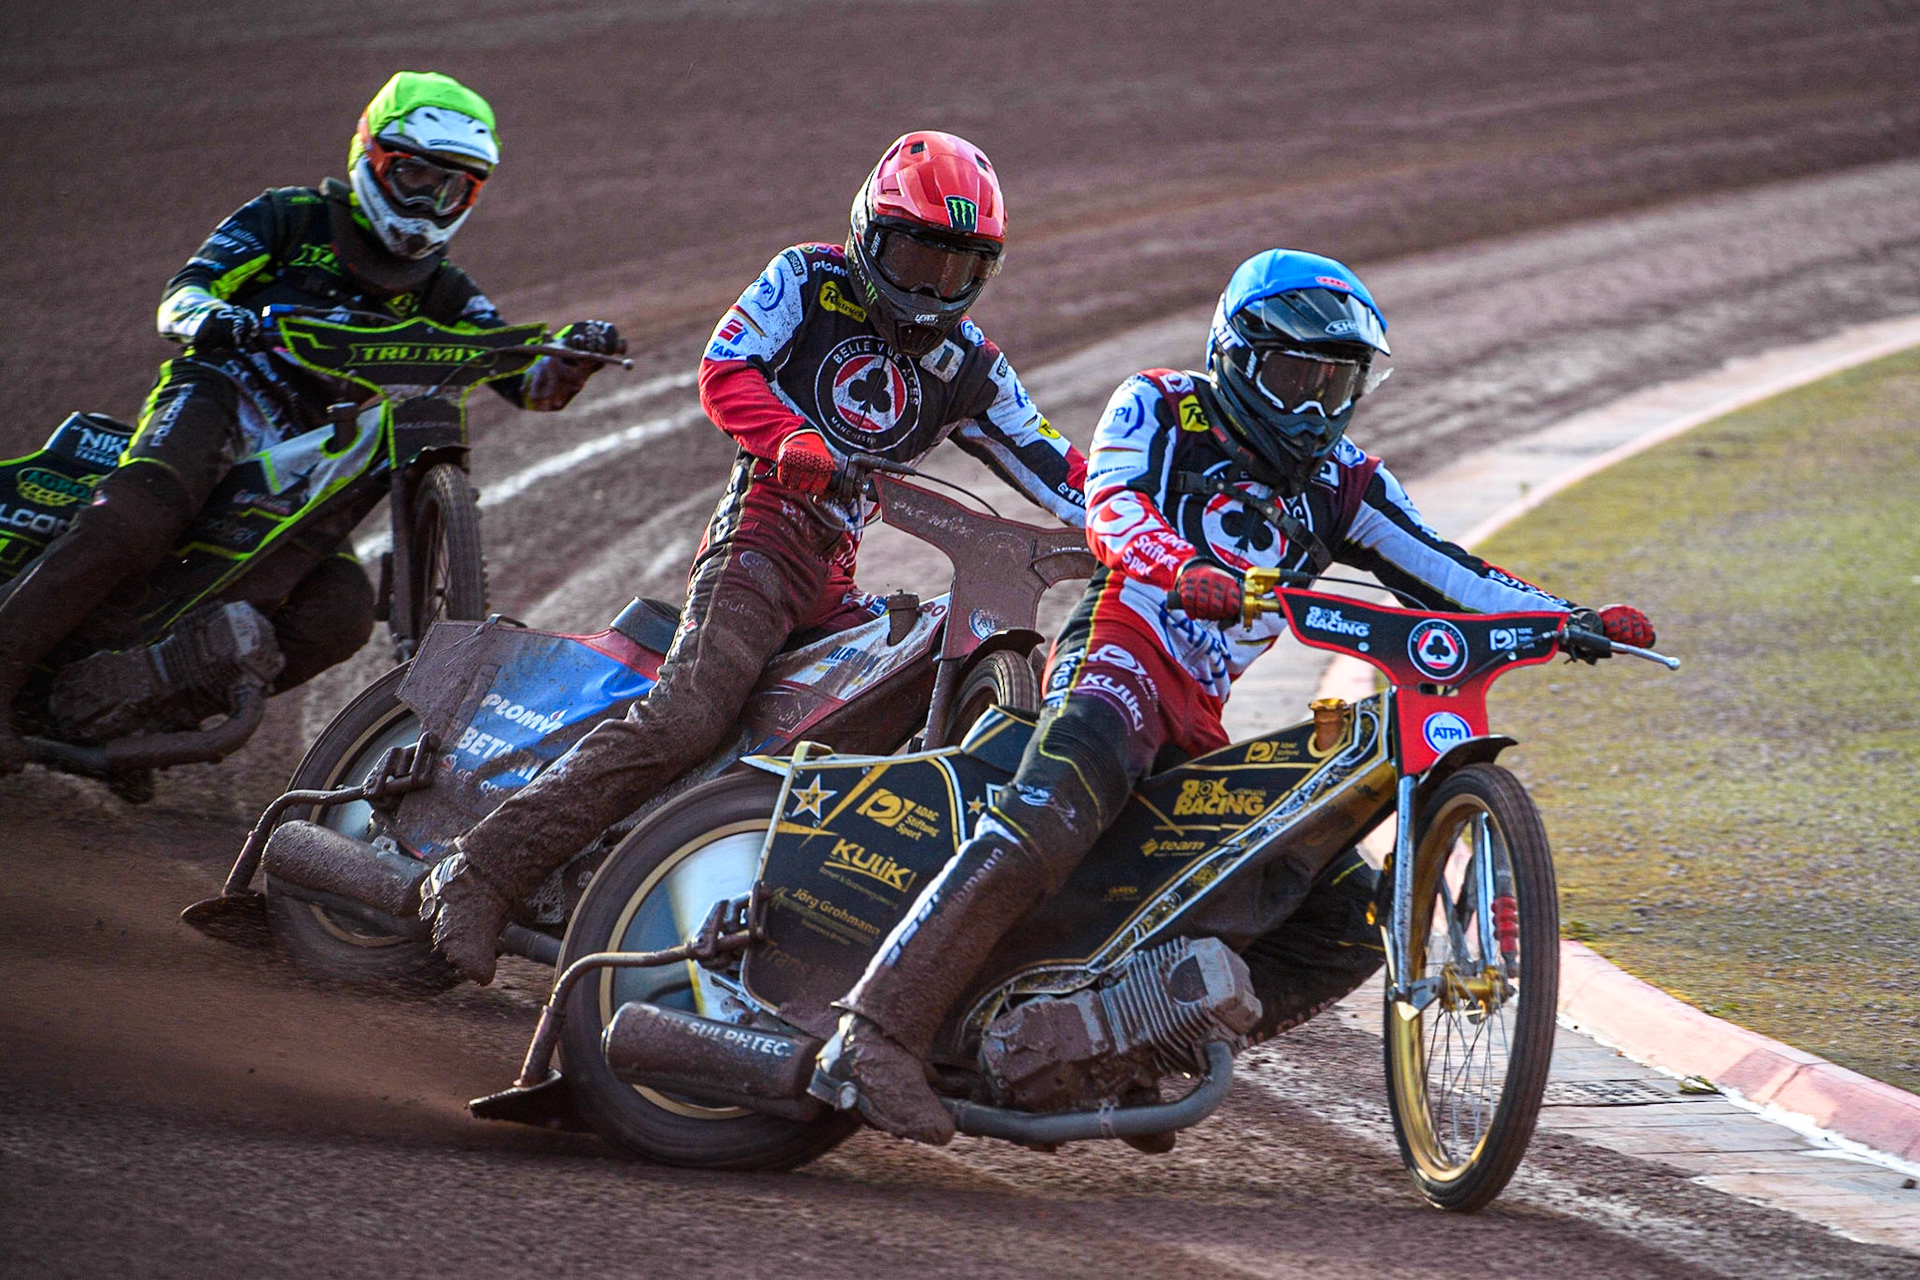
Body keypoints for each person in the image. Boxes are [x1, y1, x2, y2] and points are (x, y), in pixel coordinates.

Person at [810, 248, 1658, 1144]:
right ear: (1238, 357)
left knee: (1343, 922)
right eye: (1296, 376)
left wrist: (1569, 620)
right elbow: (1113, 508)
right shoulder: (1158, 405)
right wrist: (1183, 569)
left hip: (1201, 722)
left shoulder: (1348, 485)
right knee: (1053, 806)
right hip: (1118, 657)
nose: (1313, 407)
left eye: (1338, 386)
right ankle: (870, 1033)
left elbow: (1449, 573)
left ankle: (1127, 1048)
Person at [418, 130, 1088, 984]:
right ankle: (478, 872)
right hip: (760, 536)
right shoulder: (806, 280)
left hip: (837, 570)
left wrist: (1132, 531)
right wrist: (792, 441)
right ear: (868, 234)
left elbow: (1053, 461)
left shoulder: (972, 365)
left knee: (881, 704)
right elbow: (725, 368)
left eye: (954, 268)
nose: (928, 285)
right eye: (915, 254)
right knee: (690, 714)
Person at [0, 70, 625, 773]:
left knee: (341, 614)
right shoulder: (290, 217)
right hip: (221, 392)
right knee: (139, 516)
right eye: (416, 175)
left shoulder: (446, 290)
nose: (431, 201)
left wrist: (574, 358)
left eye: (454, 188)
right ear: (370, 157)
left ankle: (137, 714)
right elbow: (183, 295)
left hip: (310, 448)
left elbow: (525, 382)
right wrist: (214, 318)